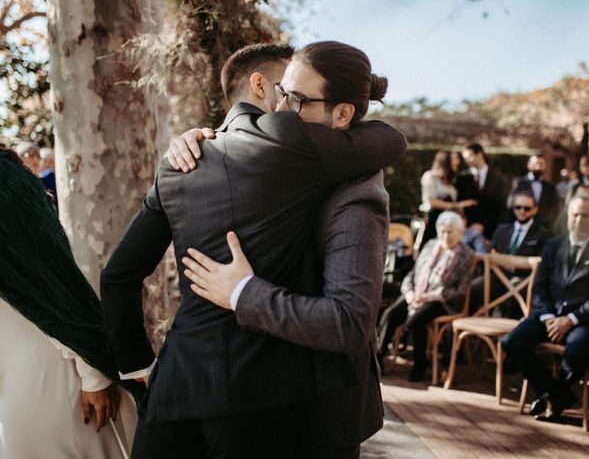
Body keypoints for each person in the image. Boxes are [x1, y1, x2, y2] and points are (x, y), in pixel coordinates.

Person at [101, 42, 406, 458]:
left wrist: (140, 367)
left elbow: (118, 275)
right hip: (258, 395)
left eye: (295, 98)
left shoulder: (184, 164)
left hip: (185, 384)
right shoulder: (250, 147)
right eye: (283, 93)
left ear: (343, 112)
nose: (284, 108)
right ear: (262, 87)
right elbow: (390, 139)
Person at [0, 146, 138, 459]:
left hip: (46, 367)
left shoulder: (6, 181)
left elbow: (52, 279)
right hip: (26, 378)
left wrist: (92, 373)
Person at [501, 196, 589, 422]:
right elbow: (539, 287)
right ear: (567, 217)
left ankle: (552, 395)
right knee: (511, 341)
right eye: (574, 214)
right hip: (549, 315)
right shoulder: (553, 245)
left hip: (584, 320)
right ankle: (555, 394)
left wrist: (571, 319)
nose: (579, 220)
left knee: (576, 350)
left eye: (585, 215)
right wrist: (547, 317)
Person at [376, 211, 475, 382]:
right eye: (442, 231)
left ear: (459, 233)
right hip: (417, 294)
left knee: (416, 320)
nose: (445, 236)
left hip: (442, 301)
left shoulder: (466, 255)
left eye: (450, 232)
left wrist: (431, 296)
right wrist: (410, 293)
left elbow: (461, 291)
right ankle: (378, 359)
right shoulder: (430, 245)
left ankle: (420, 363)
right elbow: (411, 275)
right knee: (390, 314)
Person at [469, 190, 551, 316]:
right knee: (473, 289)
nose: (522, 211)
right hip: (498, 276)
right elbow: (491, 252)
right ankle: (474, 326)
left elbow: (542, 264)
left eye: (527, 208)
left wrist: (512, 264)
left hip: (524, 281)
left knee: (516, 298)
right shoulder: (502, 229)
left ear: (535, 210)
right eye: (518, 207)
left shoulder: (543, 235)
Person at [420, 151, 476, 241]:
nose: (458, 162)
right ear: (445, 161)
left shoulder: (452, 180)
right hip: (433, 220)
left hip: (449, 221)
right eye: (454, 159)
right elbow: (431, 201)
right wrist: (458, 205)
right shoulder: (431, 177)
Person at [457, 142, 507, 239]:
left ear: (480, 154)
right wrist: (471, 225)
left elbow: (499, 207)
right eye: (465, 158)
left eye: (470, 156)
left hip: (491, 231)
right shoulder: (462, 179)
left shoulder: (498, 179)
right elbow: (460, 204)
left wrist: (484, 226)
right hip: (467, 231)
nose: (467, 160)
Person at [508, 154, 561, 230]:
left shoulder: (550, 187)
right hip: (520, 225)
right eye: (536, 163)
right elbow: (511, 204)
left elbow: (554, 208)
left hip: (542, 228)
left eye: (541, 164)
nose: (538, 167)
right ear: (529, 165)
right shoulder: (519, 183)